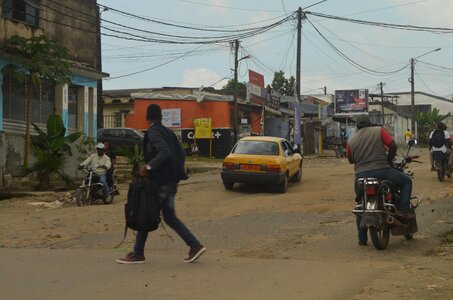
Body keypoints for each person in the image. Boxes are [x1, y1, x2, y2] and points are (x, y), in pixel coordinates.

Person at [116, 104, 206, 264]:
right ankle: (194, 245)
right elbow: (179, 154)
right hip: (171, 181)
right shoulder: (169, 132)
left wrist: (148, 167)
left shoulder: (154, 132)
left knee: (145, 212)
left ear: (147, 117)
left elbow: (165, 151)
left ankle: (138, 253)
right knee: (169, 217)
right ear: (161, 116)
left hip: (161, 182)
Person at [346, 115, 413, 246]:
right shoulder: (378, 131)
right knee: (406, 182)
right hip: (382, 171)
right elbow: (392, 146)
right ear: (370, 124)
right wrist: (388, 161)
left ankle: (362, 239)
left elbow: (350, 159)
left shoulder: (351, 140)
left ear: (357, 126)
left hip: (361, 176)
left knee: (361, 204)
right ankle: (403, 210)